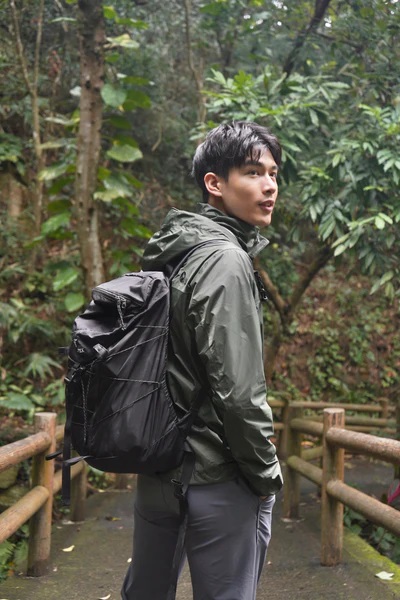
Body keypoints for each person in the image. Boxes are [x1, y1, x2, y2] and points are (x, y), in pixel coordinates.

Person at [121, 121, 284, 600]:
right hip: (215, 472)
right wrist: (265, 474)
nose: (269, 186)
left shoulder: (176, 252)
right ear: (215, 183)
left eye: (273, 173)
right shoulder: (225, 260)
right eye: (253, 172)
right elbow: (238, 391)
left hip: (159, 463)